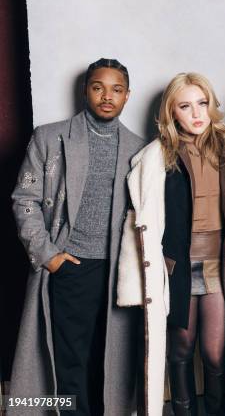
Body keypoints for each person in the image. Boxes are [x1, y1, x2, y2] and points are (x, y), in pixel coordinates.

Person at [10, 59, 144, 415]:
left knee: (110, 362)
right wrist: (48, 254)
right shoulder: (49, 137)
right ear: (86, 90)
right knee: (69, 361)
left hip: (118, 273)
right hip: (70, 265)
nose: (107, 96)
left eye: (117, 89)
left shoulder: (140, 149)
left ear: (128, 96)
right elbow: (25, 199)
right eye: (98, 87)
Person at [116, 73, 225, 416]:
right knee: (180, 350)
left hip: (217, 265)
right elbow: (141, 219)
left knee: (216, 353)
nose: (196, 114)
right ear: (172, 113)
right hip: (176, 267)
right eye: (186, 106)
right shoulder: (157, 157)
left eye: (202, 103)